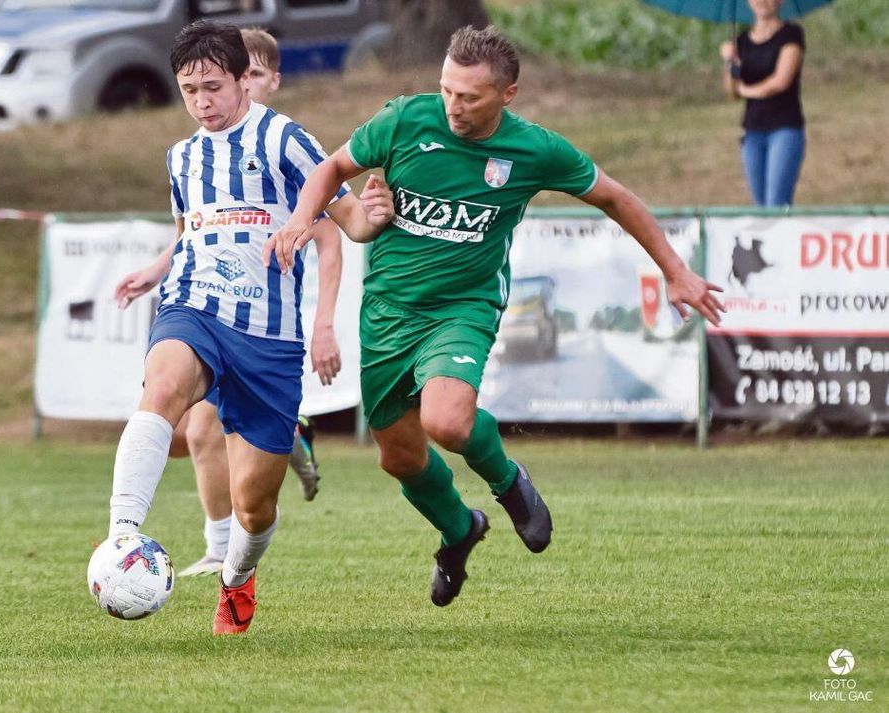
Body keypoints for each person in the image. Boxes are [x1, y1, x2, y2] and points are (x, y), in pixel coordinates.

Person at [267, 25, 726, 607]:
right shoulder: (406, 119)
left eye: (469, 97)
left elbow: (614, 196)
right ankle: (460, 530)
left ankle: (510, 483)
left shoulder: (535, 150)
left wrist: (675, 270)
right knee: (399, 457)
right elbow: (332, 169)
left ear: (507, 95)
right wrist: (300, 219)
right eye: (447, 91)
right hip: (387, 310)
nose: (453, 107)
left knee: (449, 421)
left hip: (464, 305)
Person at [106, 19, 393, 635]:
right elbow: (190, 234)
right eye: (189, 90)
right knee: (162, 390)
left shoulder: (286, 139)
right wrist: (158, 272)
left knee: (255, 506)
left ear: (244, 80)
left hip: (268, 336)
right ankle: (122, 535)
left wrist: (374, 212)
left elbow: (350, 224)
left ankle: (236, 579)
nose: (202, 102)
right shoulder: (181, 157)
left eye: (213, 86)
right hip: (193, 306)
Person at [720, 0, 807, 206]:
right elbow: (732, 91)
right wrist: (729, 61)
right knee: (760, 206)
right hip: (752, 131)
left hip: (785, 128)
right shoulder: (740, 41)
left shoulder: (791, 34)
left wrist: (746, 90)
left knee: (776, 203)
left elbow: (780, 82)